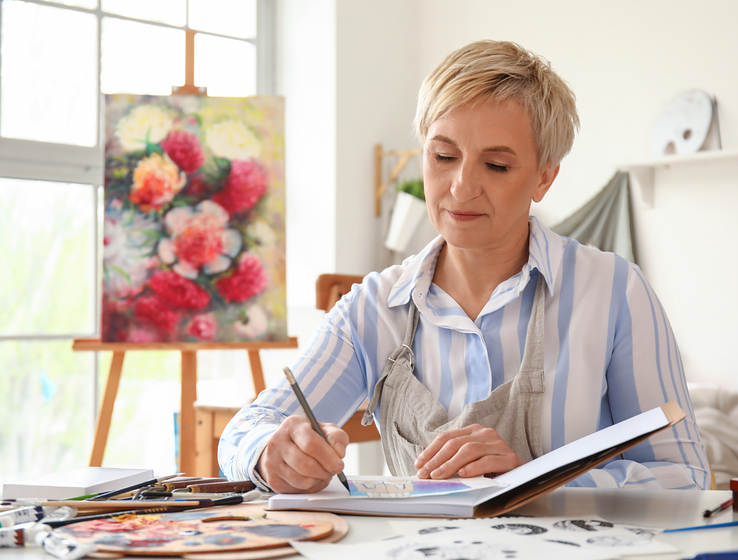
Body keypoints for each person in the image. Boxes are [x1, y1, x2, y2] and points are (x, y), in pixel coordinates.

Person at [218, 40, 711, 494]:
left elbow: (685, 476)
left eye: (496, 166)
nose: (460, 187)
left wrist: (531, 481)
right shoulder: (375, 308)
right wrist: (270, 454)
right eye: (443, 156)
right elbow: (245, 429)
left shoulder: (613, 292)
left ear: (544, 177)